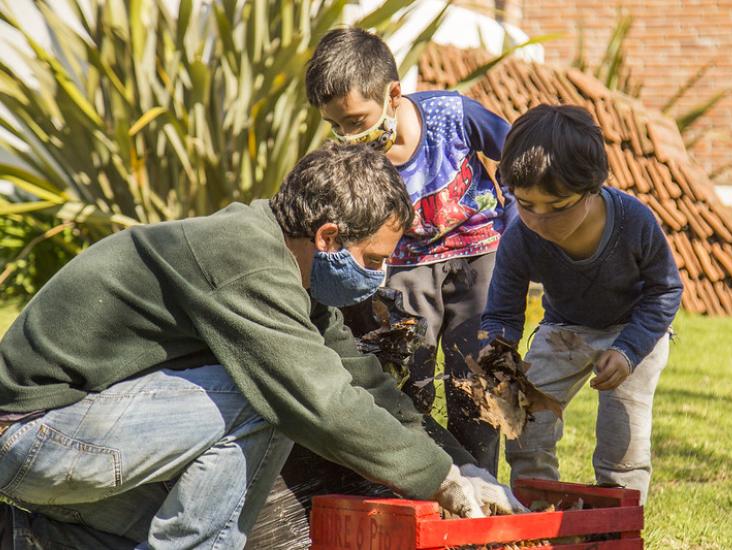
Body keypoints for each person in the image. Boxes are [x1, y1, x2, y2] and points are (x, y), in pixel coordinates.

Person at [0, 143, 525, 550]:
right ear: (327, 237)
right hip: (34, 437)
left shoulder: (287, 270)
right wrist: (438, 480)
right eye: (372, 260)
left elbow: (365, 383)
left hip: (71, 446)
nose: (380, 276)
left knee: (167, 527)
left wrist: (463, 467)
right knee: (275, 396)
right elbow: (324, 403)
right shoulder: (246, 263)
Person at [305, 28, 514, 475]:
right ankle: (419, 482)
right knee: (406, 378)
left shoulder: (452, 114)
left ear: (393, 94)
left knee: (477, 381)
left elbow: (518, 155)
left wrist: (517, 226)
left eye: (356, 120)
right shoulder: (354, 162)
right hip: (405, 269)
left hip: (481, 258)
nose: (347, 135)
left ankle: (482, 488)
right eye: (336, 127)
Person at [480, 104, 683, 504]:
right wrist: (497, 360)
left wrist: (627, 351)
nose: (539, 220)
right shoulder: (520, 237)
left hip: (633, 331)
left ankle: (617, 525)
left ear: (591, 189)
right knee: (525, 425)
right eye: (526, 204)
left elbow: (665, 291)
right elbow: (502, 313)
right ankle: (537, 511)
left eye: (556, 207)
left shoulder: (634, 222)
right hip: (564, 329)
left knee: (621, 440)